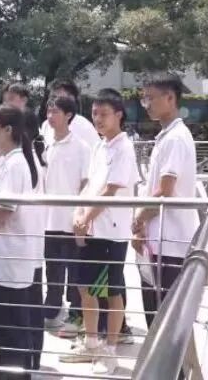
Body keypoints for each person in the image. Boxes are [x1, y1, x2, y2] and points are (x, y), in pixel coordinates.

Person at [60, 89, 136, 375]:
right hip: (91, 230)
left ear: (119, 115)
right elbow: (91, 185)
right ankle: (91, 342)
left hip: (110, 232)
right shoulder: (100, 146)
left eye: (104, 114)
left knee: (111, 291)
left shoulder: (123, 148)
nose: (98, 119)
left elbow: (110, 190)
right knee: (85, 287)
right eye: (94, 113)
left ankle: (110, 349)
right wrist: (79, 214)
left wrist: (86, 218)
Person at [0, 105, 45, 380]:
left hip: (12, 254)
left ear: (8, 130)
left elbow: (5, 208)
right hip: (6, 254)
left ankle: (16, 375)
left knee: (13, 324)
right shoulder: (9, 161)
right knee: (8, 322)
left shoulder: (16, 163)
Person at [132, 74, 197, 328]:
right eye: (144, 98)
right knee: (160, 318)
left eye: (150, 98)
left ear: (170, 98)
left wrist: (139, 219)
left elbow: (165, 189)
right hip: (159, 242)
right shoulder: (166, 136)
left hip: (171, 242)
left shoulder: (175, 138)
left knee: (165, 321)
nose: (146, 104)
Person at [42, 97, 90, 333]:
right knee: (52, 268)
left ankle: (76, 313)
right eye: (49, 111)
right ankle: (51, 310)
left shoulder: (81, 146)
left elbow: (86, 181)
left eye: (56, 112)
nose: (50, 116)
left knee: (75, 269)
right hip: (48, 218)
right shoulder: (46, 144)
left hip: (71, 219)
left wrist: (81, 213)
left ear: (69, 115)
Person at [40, 80, 99, 149]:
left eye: (58, 97)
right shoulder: (46, 125)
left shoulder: (84, 126)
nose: (54, 101)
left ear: (71, 99)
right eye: (52, 97)